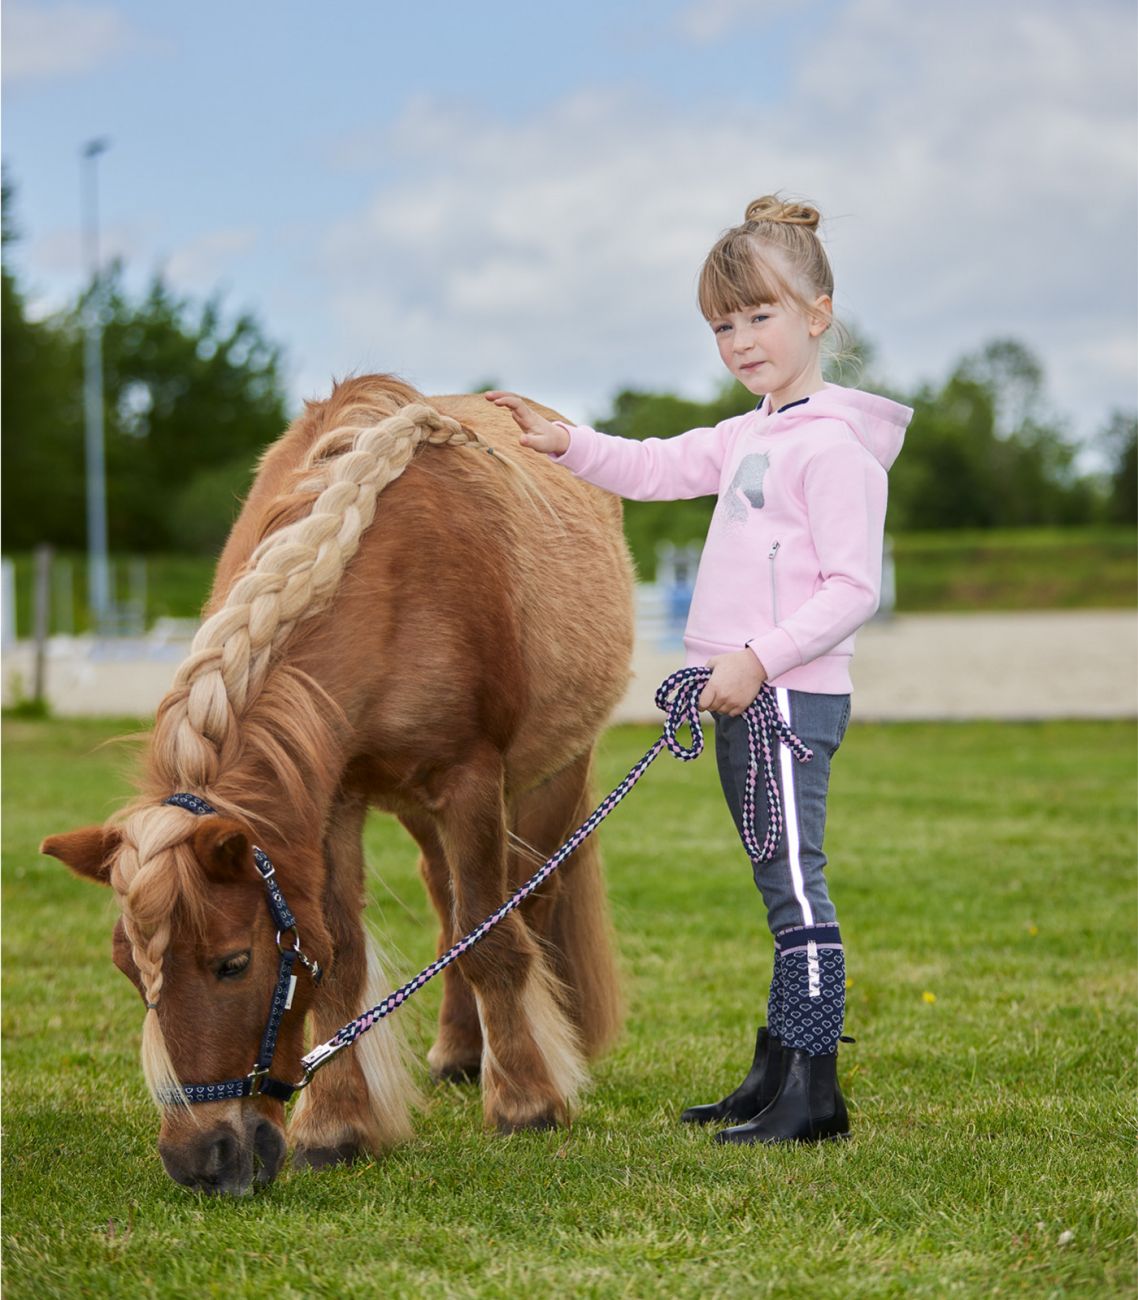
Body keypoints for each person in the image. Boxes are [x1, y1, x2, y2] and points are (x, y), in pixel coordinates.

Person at [486, 195, 912, 1145]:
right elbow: (651, 464)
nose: (742, 339)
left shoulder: (835, 448)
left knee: (797, 888)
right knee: (777, 879)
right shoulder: (751, 431)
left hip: (787, 698)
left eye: (761, 315)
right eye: (724, 323)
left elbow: (851, 589)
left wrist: (758, 661)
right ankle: (778, 1069)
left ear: (818, 311)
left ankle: (814, 1092)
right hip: (745, 697)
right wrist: (568, 447)